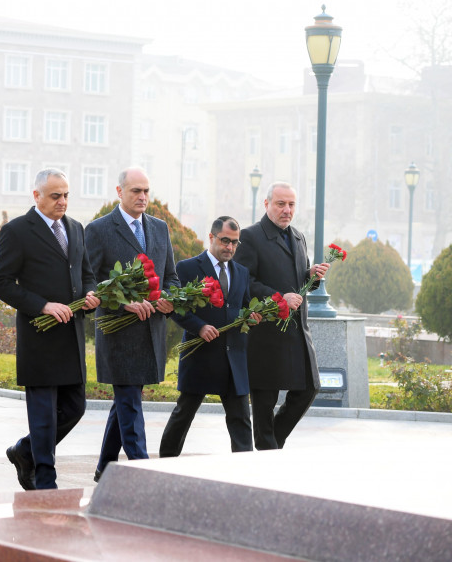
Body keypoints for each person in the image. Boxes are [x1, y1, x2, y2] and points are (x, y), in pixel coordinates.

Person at [0, 168, 100, 491]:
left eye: (66, 195)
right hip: (39, 339)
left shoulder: (76, 229)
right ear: (36, 196)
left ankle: (24, 450)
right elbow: (1, 283)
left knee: (75, 408)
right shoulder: (17, 231)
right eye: (55, 196)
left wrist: (90, 294)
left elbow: (87, 273)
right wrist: (43, 305)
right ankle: (45, 483)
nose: (62, 201)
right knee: (44, 417)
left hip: (72, 338)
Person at [85, 167, 179, 479]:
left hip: (151, 332)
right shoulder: (98, 230)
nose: (142, 197)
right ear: (119, 191)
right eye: (135, 191)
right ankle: (144, 472)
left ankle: (104, 467)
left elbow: (171, 278)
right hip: (117, 333)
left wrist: (167, 299)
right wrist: (123, 302)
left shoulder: (160, 228)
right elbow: (89, 280)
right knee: (129, 401)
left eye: (146, 191)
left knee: (127, 401)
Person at [233, 182, 330, 450]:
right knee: (264, 401)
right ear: (267, 205)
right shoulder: (251, 237)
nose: (287, 210)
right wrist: (278, 298)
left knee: (309, 388)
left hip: (298, 332)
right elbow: (243, 281)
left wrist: (311, 277)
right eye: (280, 204)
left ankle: (273, 442)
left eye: (291, 205)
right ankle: (267, 452)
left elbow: (299, 279)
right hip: (265, 333)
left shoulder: (298, 237)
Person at [159, 216, 260, 457]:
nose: (230, 247)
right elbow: (176, 307)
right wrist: (199, 327)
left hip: (233, 357)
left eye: (235, 243)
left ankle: (245, 470)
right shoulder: (187, 268)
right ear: (212, 237)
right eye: (225, 241)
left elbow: (242, 307)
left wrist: (252, 318)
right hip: (200, 355)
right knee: (184, 413)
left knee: (241, 420)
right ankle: (165, 462)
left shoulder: (242, 272)